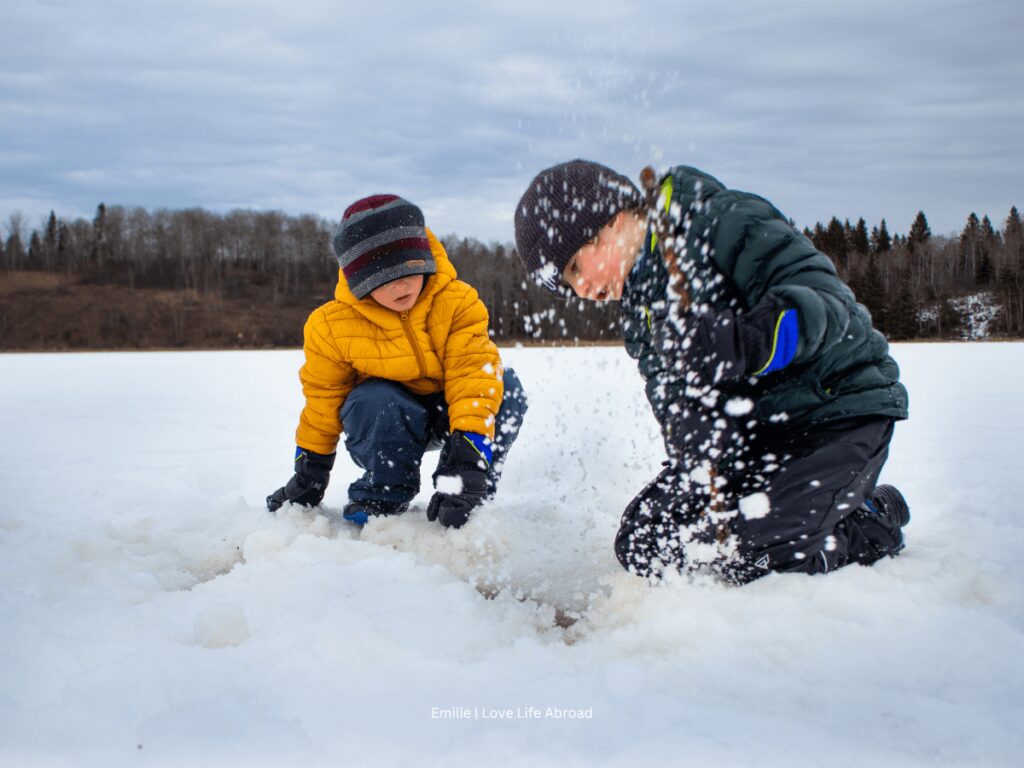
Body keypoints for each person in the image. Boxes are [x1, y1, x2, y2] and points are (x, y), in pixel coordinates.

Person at [514, 160, 909, 583]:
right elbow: (672, 399)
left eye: (575, 267)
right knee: (645, 542)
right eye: (569, 287)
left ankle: (870, 520)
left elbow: (829, 305)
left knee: (754, 559)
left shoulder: (721, 220)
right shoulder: (639, 307)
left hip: (834, 411)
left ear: (607, 220)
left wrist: (743, 342)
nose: (583, 292)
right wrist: (695, 455)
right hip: (755, 438)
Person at [268, 194, 527, 528]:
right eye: (381, 278)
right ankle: (384, 492)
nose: (400, 285)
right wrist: (309, 474)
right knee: (374, 398)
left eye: (407, 269)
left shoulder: (457, 301)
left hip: (450, 413)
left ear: (423, 259)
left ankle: (464, 487)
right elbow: (323, 400)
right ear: (360, 282)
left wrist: (467, 465)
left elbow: (472, 377)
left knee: (506, 387)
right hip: (385, 424)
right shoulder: (331, 326)